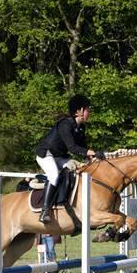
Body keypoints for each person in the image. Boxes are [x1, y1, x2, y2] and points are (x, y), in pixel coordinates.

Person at [34, 94, 105, 223]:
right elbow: (72, 147)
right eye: (88, 109)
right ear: (79, 111)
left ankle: (68, 203)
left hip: (59, 156)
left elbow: (83, 149)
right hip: (46, 154)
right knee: (54, 175)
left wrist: (92, 158)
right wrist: (92, 153)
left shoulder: (81, 127)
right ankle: (45, 210)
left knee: (79, 169)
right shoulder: (65, 124)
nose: (90, 112)